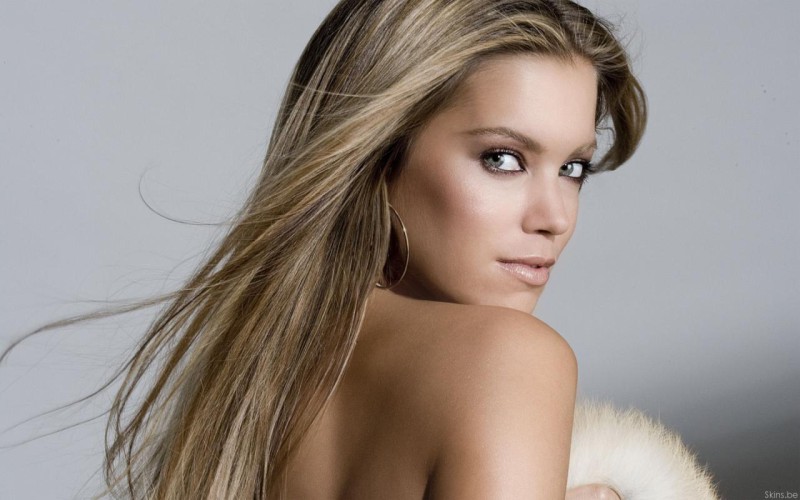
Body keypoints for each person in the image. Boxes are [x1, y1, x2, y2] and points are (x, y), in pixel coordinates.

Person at [2, 0, 651, 498]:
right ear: (379, 154)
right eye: (502, 158)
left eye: (573, 168)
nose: (554, 217)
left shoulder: (252, 380)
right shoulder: (509, 358)